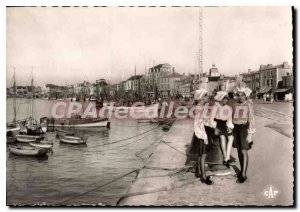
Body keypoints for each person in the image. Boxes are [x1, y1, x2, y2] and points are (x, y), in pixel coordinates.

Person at [190, 89, 214, 185]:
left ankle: (198, 171)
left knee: (201, 154)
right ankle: (203, 176)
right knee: (203, 155)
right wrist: (205, 137)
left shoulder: (202, 106)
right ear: (201, 98)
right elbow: (199, 124)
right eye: (206, 96)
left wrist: (211, 125)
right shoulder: (199, 108)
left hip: (201, 132)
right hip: (201, 133)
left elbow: (204, 121)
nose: (207, 97)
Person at [232, 87, 255, 183]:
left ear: (246, 96)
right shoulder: (235, 105)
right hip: (236, 129)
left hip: (245, 129)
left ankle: (243, 174)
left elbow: (251, 119)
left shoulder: (248, 105)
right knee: (239, 151)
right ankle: (242, 170)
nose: (240, 97)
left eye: (242, 95)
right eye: (239, 95)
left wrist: (250, 133)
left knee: (244, 151)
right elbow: (233, 117)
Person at [212, 91, 234, 168]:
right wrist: (215, 126)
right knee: (222, 138)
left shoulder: (228, 107)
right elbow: (211, 119)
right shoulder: (216, 107)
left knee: (231, 138)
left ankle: (227, 156)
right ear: (220, 99)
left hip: (225, 124)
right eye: (224, 99)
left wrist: (230, 127)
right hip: (218, 124)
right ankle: (225, 157)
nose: (225, 101)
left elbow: (230, 119)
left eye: (226, 99)